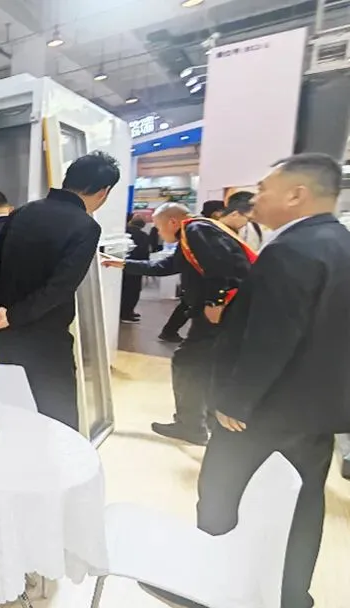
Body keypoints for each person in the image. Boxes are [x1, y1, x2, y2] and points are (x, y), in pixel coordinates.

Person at [198, 153, 350, 608]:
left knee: (224, 495)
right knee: (301, 505)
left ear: (296, 194)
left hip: (264, 411)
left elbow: (272, 334)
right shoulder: (339, 241)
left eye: (264, 188)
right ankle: (289, 594)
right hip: (315, 411)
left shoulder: (292, 250)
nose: (255, 198)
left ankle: (218, 584)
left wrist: (236, 400)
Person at [0, 152, 120, 430]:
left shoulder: (23, 211)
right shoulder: (86, 226)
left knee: (2, 417)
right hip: (45, 343)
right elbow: (60, 287)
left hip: (0, 337)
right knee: (56, 422)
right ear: (103, 192)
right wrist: (14, 315)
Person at [104, 203, 252, 446]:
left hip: (222, 311)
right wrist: (123, 264)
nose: (159, 233)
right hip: (229, 310)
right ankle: (206, 420)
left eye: (159, 227)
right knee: (207, 363)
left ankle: (190, 425)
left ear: (172, 221)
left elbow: (220, 267)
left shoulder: (196, 230)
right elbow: (167, 266)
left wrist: (215, 302)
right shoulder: (195, 233)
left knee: (187, 363)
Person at [120, 214, 151, 323]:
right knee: (133, 291)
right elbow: (145, 253)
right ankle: (127, 313)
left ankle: (124, 312)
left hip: (122, 264)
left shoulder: (123, 233)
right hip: (137, 266)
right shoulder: (143, 236)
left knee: (124, 289)